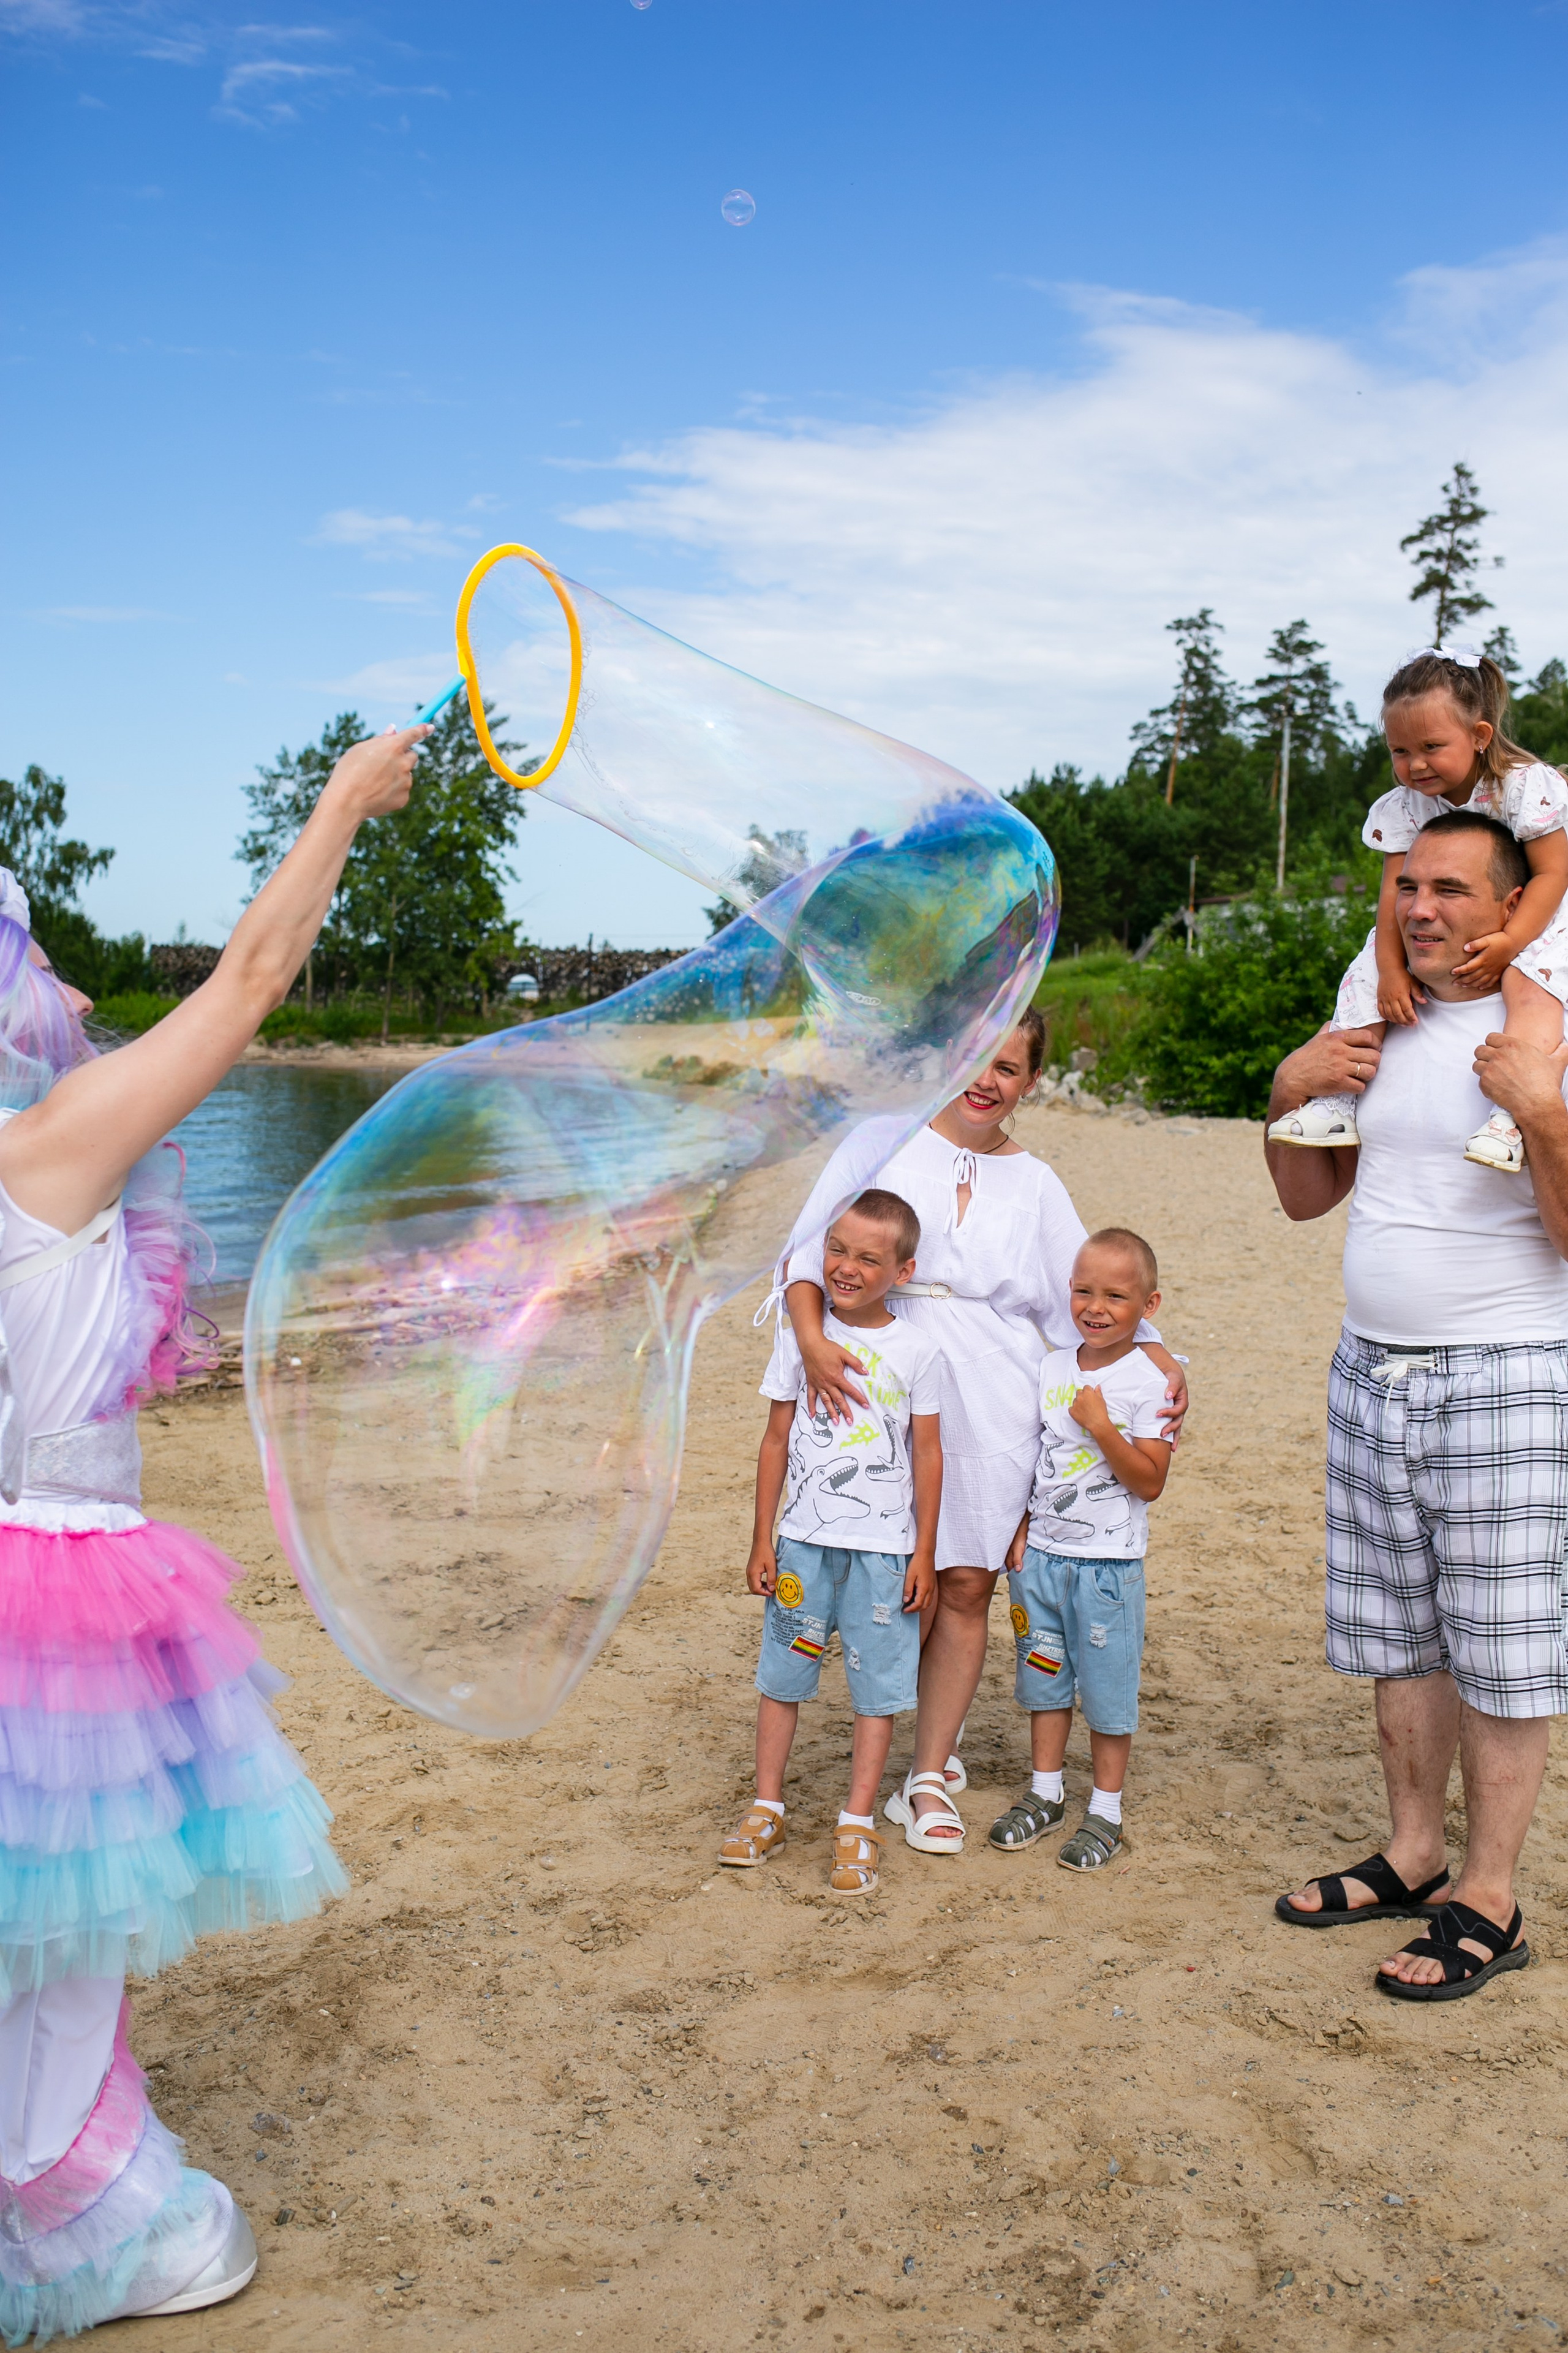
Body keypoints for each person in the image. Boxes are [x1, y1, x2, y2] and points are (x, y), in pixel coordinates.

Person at [0, 720, 424, 2339]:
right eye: (45, 966)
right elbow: (246, 989)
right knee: (55, 1937)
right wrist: (341, 803)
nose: (81, 1001)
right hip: (52, 1585)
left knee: (31, 1922)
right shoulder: (47, 1151)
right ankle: (68, 2219)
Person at [1266, 807, 1568, 2001]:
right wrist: (1285, 1084)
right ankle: (1410, 1852)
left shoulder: (1540, 1031)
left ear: (1509, 911)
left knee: (1499, 1650)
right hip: (1366, 1369)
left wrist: (1540, 1113)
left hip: (1503, 1372)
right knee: (1397, 1635)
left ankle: (1485, 1898)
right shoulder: (1371, 1024)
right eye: (1405, 888)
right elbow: (1303, 1196)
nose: (1421, 909)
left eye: (1449, 889)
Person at [775, 1009, 1188, 1856]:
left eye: (1010, 1067)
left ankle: (929, 1770)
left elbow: (1088, 1300)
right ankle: (875, 1751)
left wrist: (1162, 1356)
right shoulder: (884, 1142)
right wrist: (814, 1339)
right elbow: (807, 1257)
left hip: (996, 1389)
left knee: (965, 1583)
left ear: (1031, 1082)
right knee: (895, 1580)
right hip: (880, 1378)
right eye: (978, 1057)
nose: (988, 1079)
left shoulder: (1036, 1182)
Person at [1268, 646, 1568, 1175]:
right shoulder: (1403, 804)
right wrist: (1388, 969)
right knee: (1361, 973)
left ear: (1480, 736)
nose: (1415, 765)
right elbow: (1394, 897)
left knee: (1534, 985)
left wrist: (1512, 941)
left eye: (1432, 746)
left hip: (1543, 910)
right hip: (1467, 909)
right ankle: (1337, 1102)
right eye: (1399, 751)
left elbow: (1553, 873)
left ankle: (1510, 1115)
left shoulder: (1521, 785)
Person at [720, 1192, 940, 1899]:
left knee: (875, 1692)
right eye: (837, 1250)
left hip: (883, 1551)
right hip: (802, 1544)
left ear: (902, 1270)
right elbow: (775, 1438)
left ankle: (856, 1820)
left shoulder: (917, 1348)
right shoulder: (799, 1334)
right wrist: (764, 1537)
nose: (847, 1267)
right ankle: (768, 1805)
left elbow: (929, 1455)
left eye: (869, 1258)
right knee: (781, 1678)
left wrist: (924, 1551)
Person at [989, 1228, 1172, 1870]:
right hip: (1039, 1557)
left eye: (1116, 1296)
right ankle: (1045, 1792)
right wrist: (1018, 1528)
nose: (1095, 1307)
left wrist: (1101, 1427)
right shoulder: (1051, 1366)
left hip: (1107, 1565)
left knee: (1106, 1691)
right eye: (1082, 1291)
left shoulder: (1151, 1380)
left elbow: (1149, 1480)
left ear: (1148, 1306)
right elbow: (1034, 1457)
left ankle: (1106, 1810)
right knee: (1043, 1678)